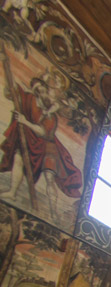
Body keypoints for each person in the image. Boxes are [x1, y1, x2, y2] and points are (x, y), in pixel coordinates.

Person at [0, 71, 82, 205]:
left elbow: (43, 132)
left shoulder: (51, 116)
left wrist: (24, 122)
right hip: (29, 139)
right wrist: (10, 85)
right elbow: (13, 93)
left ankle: (53, 212)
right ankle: (12, 192)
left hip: (47, 146)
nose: (42, 93)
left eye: (43, 90)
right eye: (38, 90)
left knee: (49, 176)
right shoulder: (29, 100)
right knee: (18, 159)